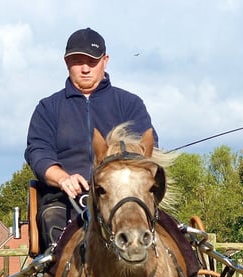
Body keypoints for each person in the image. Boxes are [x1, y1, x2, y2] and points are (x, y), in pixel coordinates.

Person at [24, 27, 157, 252]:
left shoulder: (130, 104)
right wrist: (63, 178)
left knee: (170, 229)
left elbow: (146, 148)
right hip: (65, 200)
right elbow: (37, 151)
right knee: (51, 220)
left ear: (105, 61)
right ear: (67, 63)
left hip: (123, 196)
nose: (85, 68)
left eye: (92, 61)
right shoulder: (48, 108)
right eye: (77, 61)